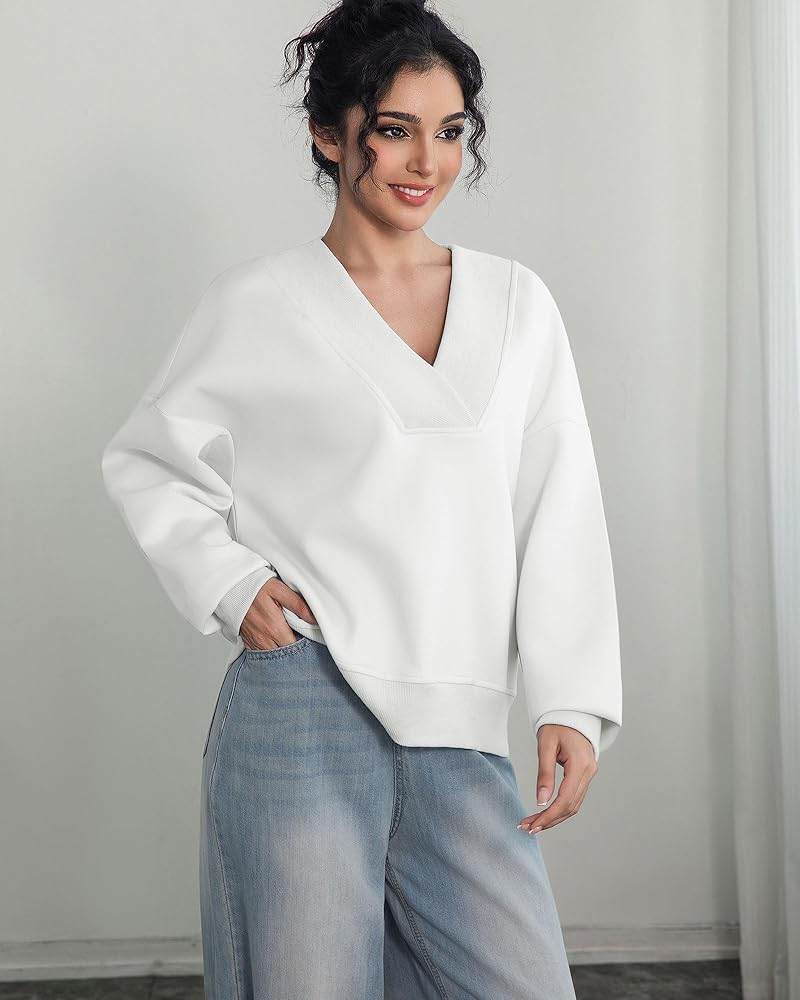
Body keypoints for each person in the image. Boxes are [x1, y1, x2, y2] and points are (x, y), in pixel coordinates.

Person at [100, 0, 623, 996]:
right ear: (328, 134)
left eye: (449, 130)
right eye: (393, 129)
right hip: (304, 706)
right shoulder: (258, 304)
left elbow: (559, 504)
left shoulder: (516, 305)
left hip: (459, 722)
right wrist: (229, 584)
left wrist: (570, 696)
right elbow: (147, 460)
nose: (426, 161)